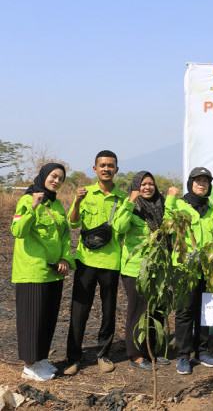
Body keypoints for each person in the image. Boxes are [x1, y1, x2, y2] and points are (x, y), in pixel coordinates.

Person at [11, 163, 75, 381]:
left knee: (47, 318)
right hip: (32, 271)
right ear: (43, 176)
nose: (56, 181)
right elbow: (17, 231)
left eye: (60, 178)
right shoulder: (26, 200)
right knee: (32, 319)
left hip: (54, 271)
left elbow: (65, 234)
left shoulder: (56, 204)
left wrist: (66, 258)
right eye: (53, 176)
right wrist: (33, 207)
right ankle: (29, 366)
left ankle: (40, 359)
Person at [65, 150, 126, 375]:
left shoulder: (122, 198)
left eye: (110, 165)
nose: (106, 169)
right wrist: (77, 201)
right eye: (102, 165)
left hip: (111, 261)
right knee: (79, 310)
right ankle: (73, 357)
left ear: (116, 170)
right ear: (95, 169)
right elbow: (73, 224)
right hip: (85, 260)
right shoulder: (84, 193)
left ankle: (103, 354)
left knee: (109, 311)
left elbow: (124, 228)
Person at [112, 171, 169, 370]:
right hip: (135, 269)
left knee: (157, 312)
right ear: (136, 186)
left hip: (158, 268)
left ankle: (152, 351)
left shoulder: (161, 204)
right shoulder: (131, 207)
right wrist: (130, 201)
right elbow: (118, 227)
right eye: (143, 184)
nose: (147, 187)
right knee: (139, 312)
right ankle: (135, 354)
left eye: (150, 184)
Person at [168, 167, 213, 375]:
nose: (202, 184)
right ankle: (183, 355)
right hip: (184, 267)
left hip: (206, 267)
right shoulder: (180, 204)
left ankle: (202, 351)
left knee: (204, 311)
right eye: (198, 180)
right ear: (190, 183)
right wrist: (170, 199)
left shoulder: (210, 207)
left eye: (205, 181)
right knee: (184, 311)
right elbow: (168, 221)